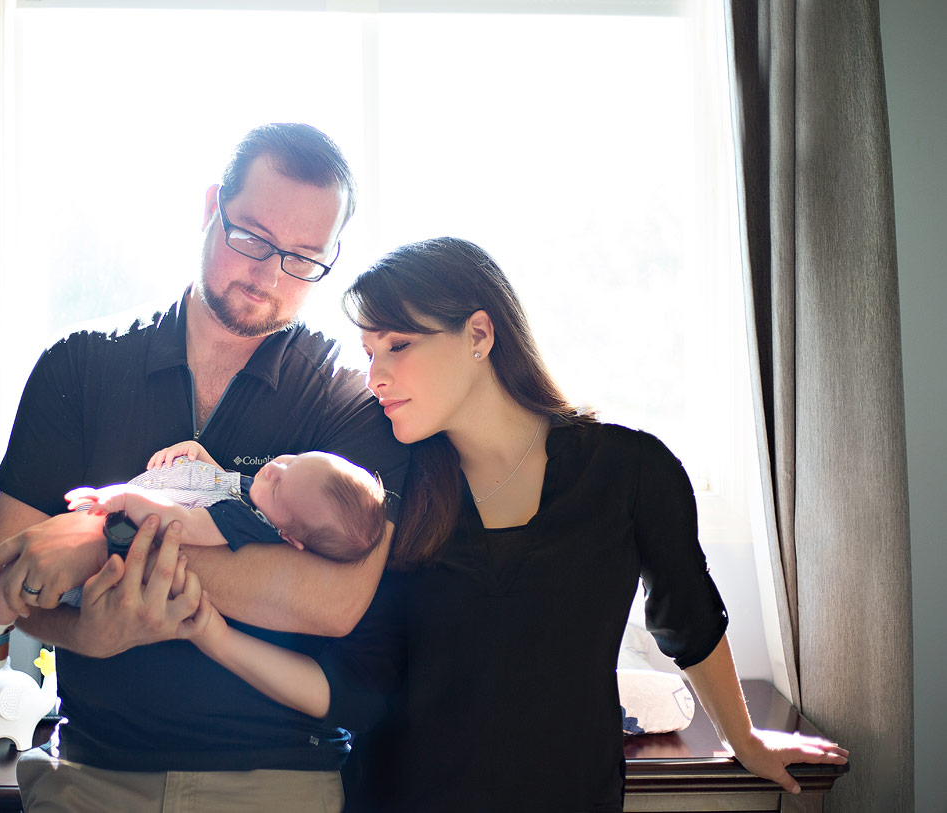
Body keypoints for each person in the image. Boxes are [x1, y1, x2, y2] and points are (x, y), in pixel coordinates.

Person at [180, 237, 849, 812]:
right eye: (368, 350)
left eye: (398, 345)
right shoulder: (391, 487)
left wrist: (743, 737)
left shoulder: (630, 470)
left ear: (479, 333)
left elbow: (689, 619)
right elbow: (356, 677)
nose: (374, 374)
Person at [0, 123, 409, 810]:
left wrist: (96, 544)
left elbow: (332, 601)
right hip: (89, 772)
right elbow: (14, 564)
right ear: (212, 205)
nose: (269, 278)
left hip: (276, 783)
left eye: (303, 259)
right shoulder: (77, 367)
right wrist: (85, 630)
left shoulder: (351, 402)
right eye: (253, 238)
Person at [0, 440, 386, 669]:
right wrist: (198, 458)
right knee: (40, 553)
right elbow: (216, 485)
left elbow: (181, 522)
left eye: (282, 482)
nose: (275, 469)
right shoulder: (256, 498)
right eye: (293, 460)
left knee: (40, 572)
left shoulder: (246, 522)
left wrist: (120, 501)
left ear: (290, 537)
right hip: (108, 558)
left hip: (107, 578)